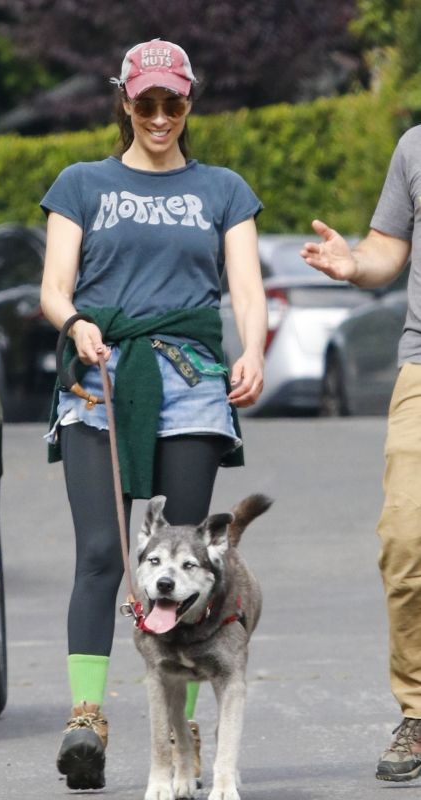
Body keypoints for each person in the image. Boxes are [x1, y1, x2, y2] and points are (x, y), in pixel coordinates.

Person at [39, 38, 267, 791]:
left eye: (174, 102)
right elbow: (54, 287)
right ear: (125, 102)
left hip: (194, 382)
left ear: (189, 103)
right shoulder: (81, 183)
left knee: (192, 563)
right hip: (101, 380)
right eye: (147, 103)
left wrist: (254, 350)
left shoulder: (223, 189)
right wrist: (76, 325)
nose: (161, 116)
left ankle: (180, 732)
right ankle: (87, 717)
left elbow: (245, 288)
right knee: (106, 554)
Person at [301, 124, 421, 783]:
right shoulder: (414, 147)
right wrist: (355, 265)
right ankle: (419, 711)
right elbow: (386, 249)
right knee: (404, 542)